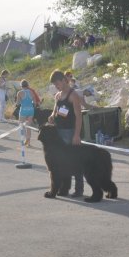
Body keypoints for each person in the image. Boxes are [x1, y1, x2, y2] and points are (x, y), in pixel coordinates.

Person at [47, 69, 84, 197]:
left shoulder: (74, 96)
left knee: (75, 161)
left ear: (64, 80)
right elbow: (55, 111)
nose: (56, 87)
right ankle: (64, 188)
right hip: (59, 132)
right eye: (55, 85)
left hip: (70, 132)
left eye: (57, 84)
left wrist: (77, 135)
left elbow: (79, 117)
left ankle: (79, 189)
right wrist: (52, 116)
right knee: (62, 162)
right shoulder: (58, 95)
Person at [16, 80, 38, 146]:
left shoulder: (19, 93)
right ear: (27, 85)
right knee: (28, 126)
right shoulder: (31, 92)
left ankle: (25, 139)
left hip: (23, 110)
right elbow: (34, 103)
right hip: (31, 110)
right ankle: (28, 141)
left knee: (21, 125)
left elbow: (18, 103)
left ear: (21, 86)